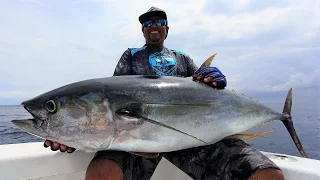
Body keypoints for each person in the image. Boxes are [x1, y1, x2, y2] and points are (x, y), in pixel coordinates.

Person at [43, 6, 285, 180]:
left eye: (158, 21)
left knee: (267, 175)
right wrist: (74, 132)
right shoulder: (131, 55)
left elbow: (205, 90)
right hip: (137, 143)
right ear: (143, 31)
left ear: (167, 29)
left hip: (195, 137)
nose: (153, 26)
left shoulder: (182, 57)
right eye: (147, 23)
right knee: (102, 174)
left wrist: (213, 79)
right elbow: (111, 106)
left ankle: (282, 117)